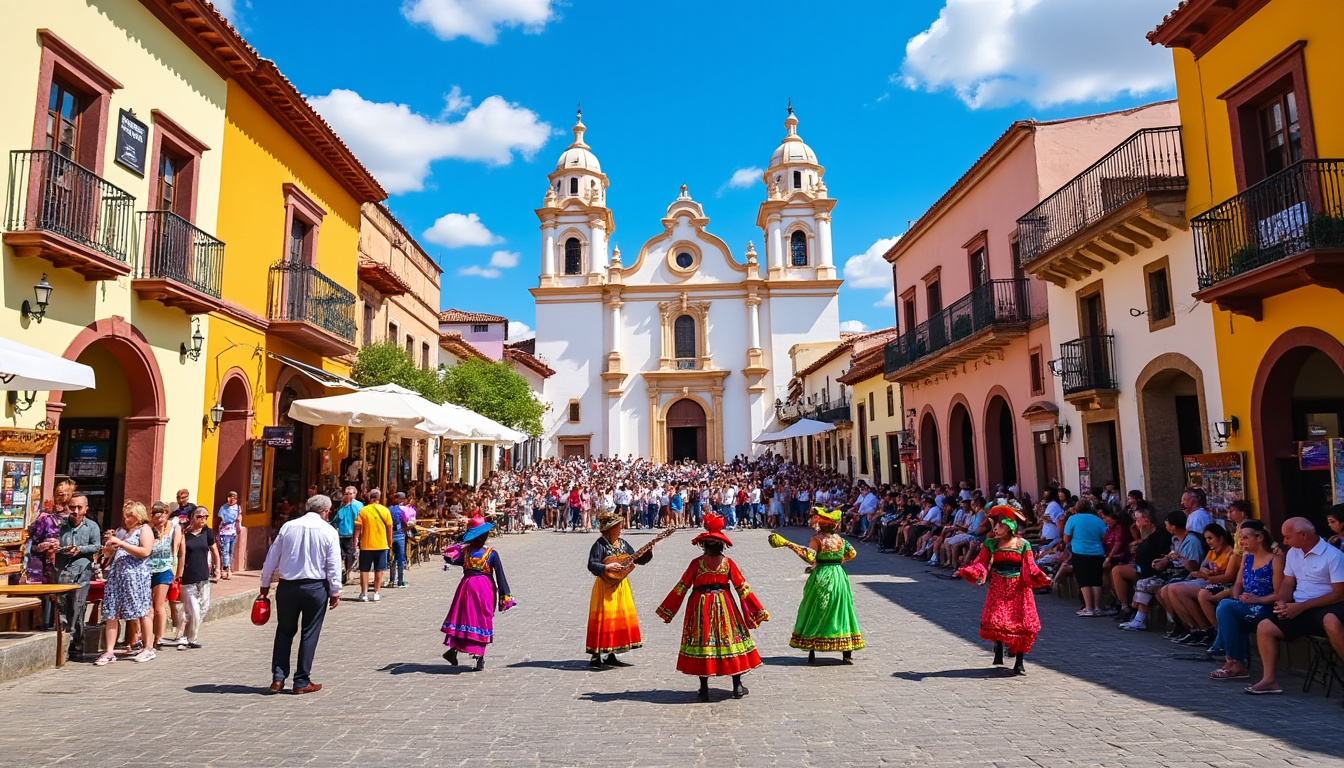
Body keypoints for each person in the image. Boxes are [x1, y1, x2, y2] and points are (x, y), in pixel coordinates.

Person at [657, 513, 768, 701]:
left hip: (700, 605)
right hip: (725, 604)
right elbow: (743, 588)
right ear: (721, 545)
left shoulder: (696, 563)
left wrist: (668, 609)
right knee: (730, 641)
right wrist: (757, 610)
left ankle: (704, 688)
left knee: (703, 643)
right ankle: (737, 685)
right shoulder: (728, 564)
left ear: (704, 545)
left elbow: (682, 587)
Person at [1245, 517, 1344, 695]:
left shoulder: (1333, 556)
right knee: (1265, 626)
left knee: (1331, 621)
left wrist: (1303, 607)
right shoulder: (1293, 553)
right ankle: (1269, 680)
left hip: (1327, 604)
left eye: (1288, 537)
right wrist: (1282, 601)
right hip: (1299, 605)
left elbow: (1339, 593)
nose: (1284, 542)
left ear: (1303, 534)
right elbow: (1288, 583)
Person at [260, 494, 343, 694]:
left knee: (284, 630)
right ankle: (301, 680)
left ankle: (278, 678)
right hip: (315, 587)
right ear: (326, 511)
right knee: (309, 632)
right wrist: (335, 590)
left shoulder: (288, 527)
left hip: (288, 587)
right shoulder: (329, 531)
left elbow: (272, 556)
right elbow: (333, 564)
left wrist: (264, 583)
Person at [956, 505, 1050, 675]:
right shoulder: (991, 543)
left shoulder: (1023, 544)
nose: (995, 528)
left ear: (1008, 526)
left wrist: (1040, 577)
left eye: (998, 525)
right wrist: (970, 571)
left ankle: (1019, 662)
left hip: (1019, 589)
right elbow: (981, 562)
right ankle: (998, 644)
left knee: (1021, 624)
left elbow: (1030, 566)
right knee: (996, 620)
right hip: (998, 586)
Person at [768, 508, 864, 664]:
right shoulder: (841, 540)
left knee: (816, 608)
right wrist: (838, 560)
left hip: (822, 576)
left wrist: (788, 544)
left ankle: (812, 647)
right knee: (841, 609)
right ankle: (846, 652)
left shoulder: (817, 539)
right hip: (839, 576)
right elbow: (852, 553)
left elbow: (809, 556)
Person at [1209, 519, 1283, 681]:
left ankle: (1233, 661)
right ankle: (1234, 662)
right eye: (1240, 538)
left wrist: (1258, 599)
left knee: (1226, 607)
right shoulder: (1247, 558)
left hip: (1265, 606)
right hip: (1245, 604)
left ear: (1259, 537)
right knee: (1228, 607)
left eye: (1245, 538)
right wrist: (1237, 598)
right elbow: (1238, 583)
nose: (1241, 542)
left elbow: (1279, 594)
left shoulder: (1275, 560)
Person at [441, 513, 515, 671]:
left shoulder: (464, 552)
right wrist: (505, 596)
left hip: (466, 587)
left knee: (464, 618)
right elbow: (500, 575)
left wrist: (459, 543)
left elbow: (448, 556)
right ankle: (479, 656)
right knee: (482, 619)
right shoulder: (491, 554)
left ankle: (454, 649)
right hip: (484, 589)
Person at [586, 512, 652, 668]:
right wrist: (606, 567)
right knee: (603, 619)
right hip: (605, 587)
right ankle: (596, 655)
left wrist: (647, 552)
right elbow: (591, 564)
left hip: (621, 585)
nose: (621, 529)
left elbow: (636, 559)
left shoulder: (622, 544)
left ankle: (611, 653)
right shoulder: (600, 545)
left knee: (617, 619)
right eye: (618, 527)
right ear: (610, 529)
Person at [94, 501, 157, 666]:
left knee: (142, 611)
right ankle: (109, 651)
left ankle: (148, 648)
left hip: (136, 578)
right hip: (118, 578)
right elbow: (112, 554)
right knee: (111, 612)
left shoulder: (145, 529)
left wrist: (122, 543)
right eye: (125, 516)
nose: (126, 519)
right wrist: (108, 549)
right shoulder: (127, 533)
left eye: (129, 516)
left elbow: (145, 551)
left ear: (138, 516)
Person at [55, 495, 100, 640]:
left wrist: (80, 549)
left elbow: (96, 546)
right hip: (62, 570)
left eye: (79, 507)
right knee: (61, 606)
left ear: (85, 509)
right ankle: (62, 640)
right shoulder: (61, 525)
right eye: (72, 507)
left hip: (82, 571)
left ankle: (76, 643)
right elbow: (52, 540)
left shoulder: (92, 526)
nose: (75, 511)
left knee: (77, 606)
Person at [177, 506, 220, 650]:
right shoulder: (184, 534)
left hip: (203, 575)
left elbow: (214, 551)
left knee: (203, 608)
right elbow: (178, 554)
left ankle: (189, 637)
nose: (203, 519)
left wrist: (218, 568)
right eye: (199, 516)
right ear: (192, 517)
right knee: (193, 610)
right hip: (188, 576)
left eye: (205, 516)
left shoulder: (207, 532)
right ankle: (186, 637)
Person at [147, 501, 184, 651]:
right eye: (155, 513)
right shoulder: (148, 530)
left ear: (166, 514)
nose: (159, 516)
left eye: (162, 513)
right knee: (148, 607)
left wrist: (178, 571)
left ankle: (159, 638)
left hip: (164, 569)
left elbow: (179, 550)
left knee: (158, 606)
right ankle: (147, 638)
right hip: (148, 570)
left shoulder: (173, 528)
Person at [1063, 499, 1109, 616]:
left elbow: (1066, 538)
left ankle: (1088, 607)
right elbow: (1105, 536)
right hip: (1097, 552)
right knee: (1096, 580)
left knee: (1084, 580)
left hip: (1080, 552)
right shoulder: (1097, 520)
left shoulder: (1073, 519)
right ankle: (1097, 607)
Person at [354, 489, 393, 602]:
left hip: (366, 545)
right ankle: (376, 592)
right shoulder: (385, 510)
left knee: (364, 570)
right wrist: (389, 542)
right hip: (381, 544)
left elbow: (358, 527)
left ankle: (364, 593)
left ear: (369, 498)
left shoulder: (363, 510)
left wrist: (355, 540)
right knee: (379, 570)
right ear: (379, 498)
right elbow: (389, 527)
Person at [333, 486, 362, 584]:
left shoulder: (356, 505)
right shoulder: (342, 507)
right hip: (345, 534)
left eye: (350, 493)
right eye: (347, 493)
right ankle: (346, 573)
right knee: (347, 554)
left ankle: (346, 573)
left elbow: (358, 520)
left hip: (349, 533)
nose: (348, 495)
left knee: (347, 554)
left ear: (355, 494)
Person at [386, 492, 411, 589]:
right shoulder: (403, 510)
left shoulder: (388, 509)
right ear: (402, 499)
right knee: (400, 558)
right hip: (400, 535)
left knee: (392, 557)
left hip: (390, 535)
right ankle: (400, 581)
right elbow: (406, 522)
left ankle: (392, 580)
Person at [216, 491, 241, 580]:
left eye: (234, 498)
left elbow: (239, 518)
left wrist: (238, 527)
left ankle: (229, 568)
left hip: (233, 532)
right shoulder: (223, 508)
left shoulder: (238, 508)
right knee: (225, 551)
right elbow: (220, 519)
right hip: (225, 532)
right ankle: (225, 569)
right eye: (230, 497)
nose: (232, 500)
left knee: (230, 551)